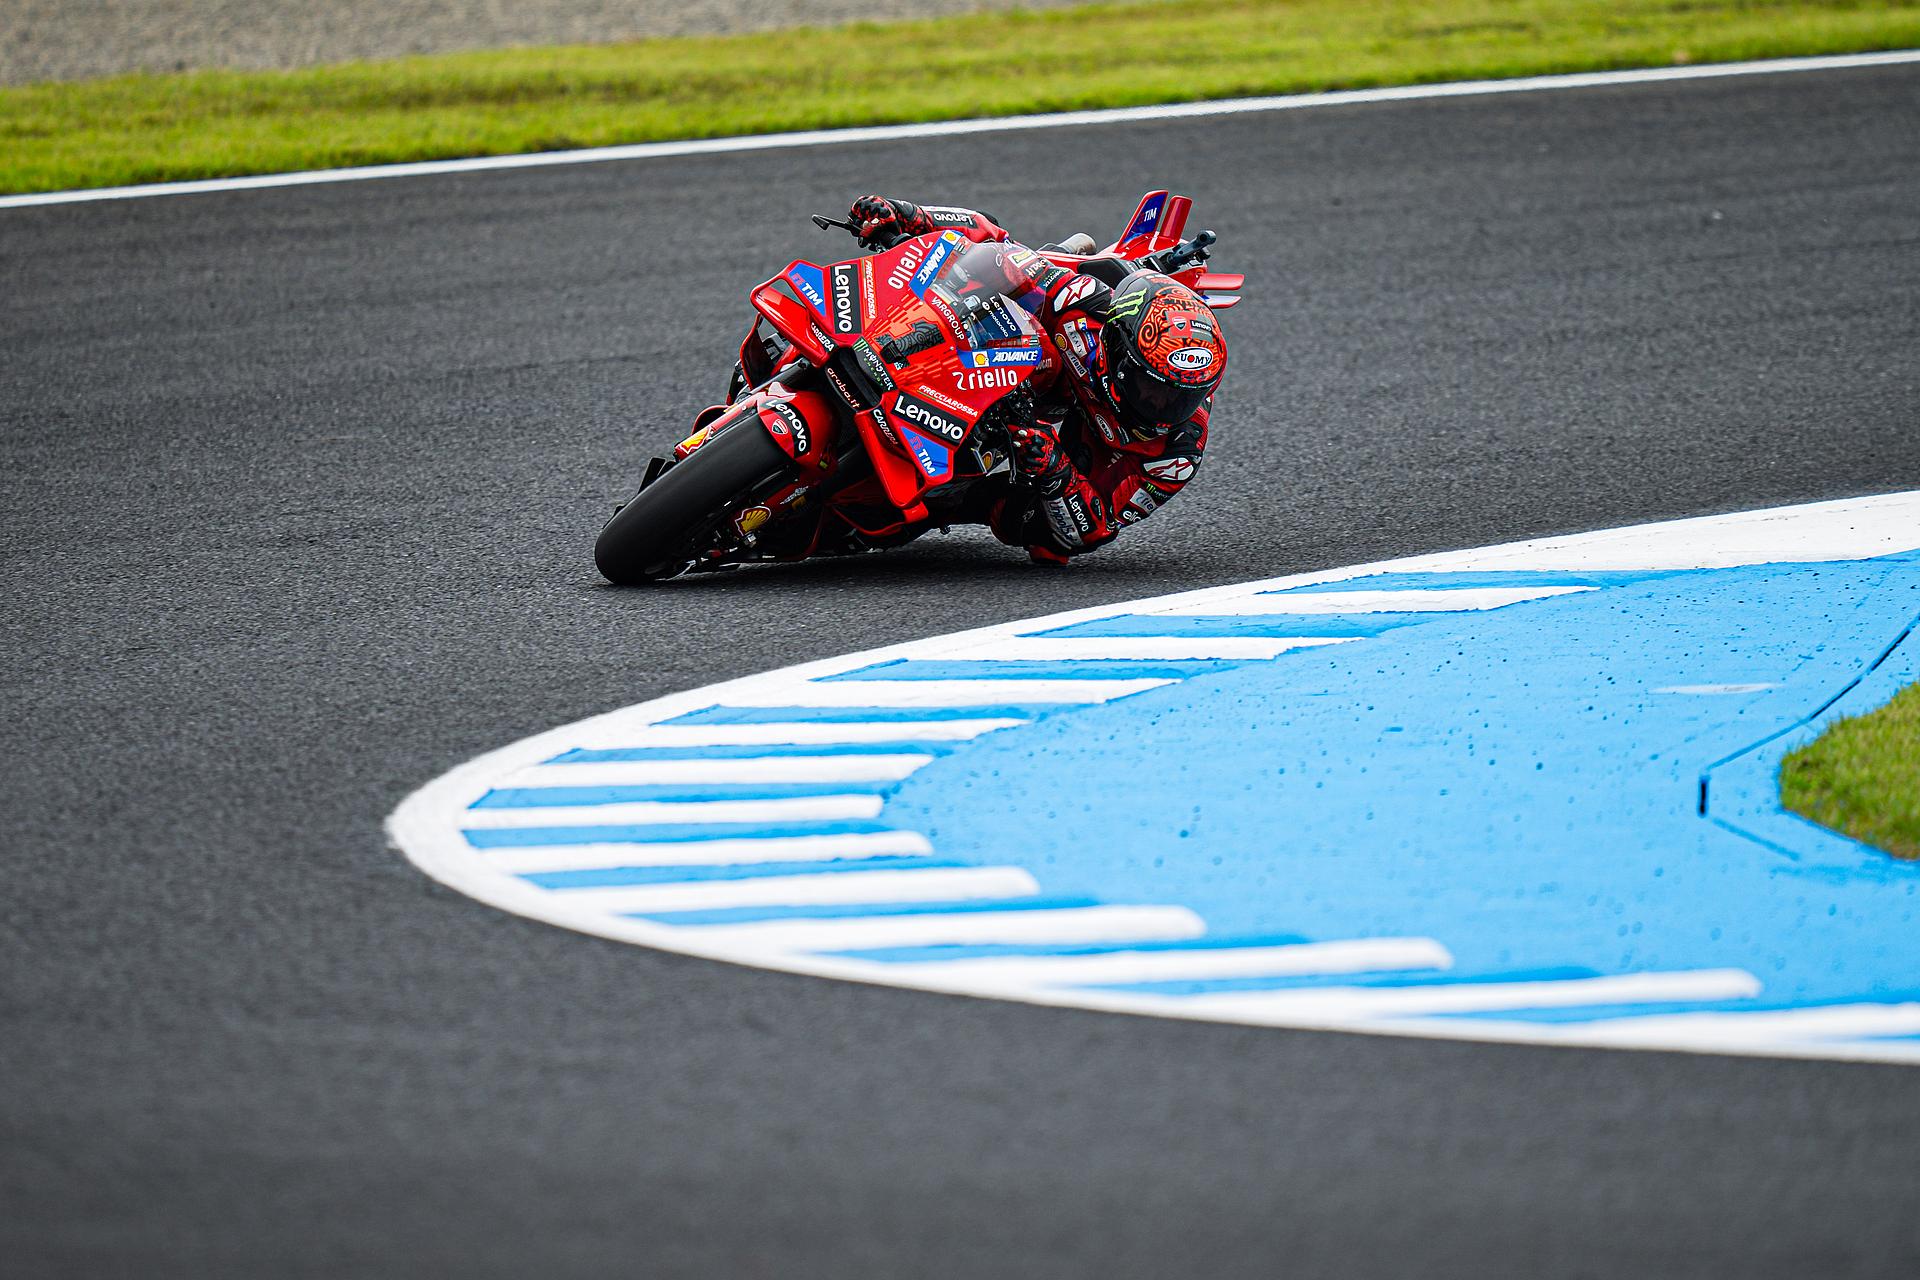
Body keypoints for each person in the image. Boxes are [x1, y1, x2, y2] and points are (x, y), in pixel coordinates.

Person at [846, 195, 1227, 563]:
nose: (1164, 408)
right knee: (1010, 308)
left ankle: (940, 500)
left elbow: (1094, 529)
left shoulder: (1176, 454)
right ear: (1119, 349)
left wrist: (1055, 470)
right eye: (1152, 389)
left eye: (1182, 398)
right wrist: (910, 216)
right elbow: (1000, 250)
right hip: (1032, 377)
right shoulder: (1085, 304)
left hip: (1069, 448)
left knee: (1042, 536)